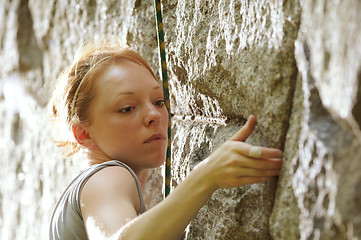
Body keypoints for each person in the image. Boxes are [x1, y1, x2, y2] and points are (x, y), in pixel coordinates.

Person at [49, 39, 283, 240]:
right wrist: (207, 175)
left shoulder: (90, 190)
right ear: (84, 134)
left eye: (159, 102)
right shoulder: (107, 176)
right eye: (127, 108)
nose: (153, 115)